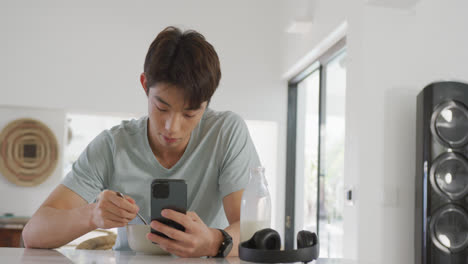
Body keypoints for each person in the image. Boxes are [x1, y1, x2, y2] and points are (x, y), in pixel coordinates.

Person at [22, 26, 261, 258]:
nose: (172, 127)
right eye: (162, 107)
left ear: (207, 103)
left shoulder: (226, 132)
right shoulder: (113, 145)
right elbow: (33, 234)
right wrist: (93, 215)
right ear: (145, 85)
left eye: (189, 114)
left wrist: (212, 242)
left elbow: (253, 233)